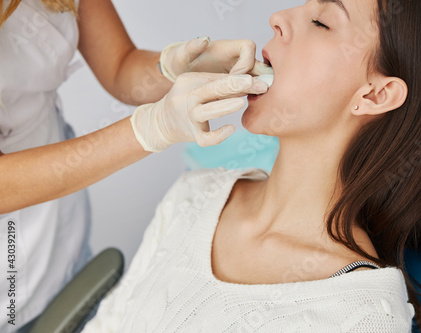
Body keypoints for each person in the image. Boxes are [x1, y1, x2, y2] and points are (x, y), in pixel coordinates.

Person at [81, 0, 421, 332]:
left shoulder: (363, 318)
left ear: (374, 96)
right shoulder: (196, 193)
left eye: (321, 21)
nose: (277, 18)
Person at [0, 0, 273, 331]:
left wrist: (172, 68)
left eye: (322, 22)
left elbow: (118, 65)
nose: (279, 19)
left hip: (59, 231)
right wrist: (148, 129)